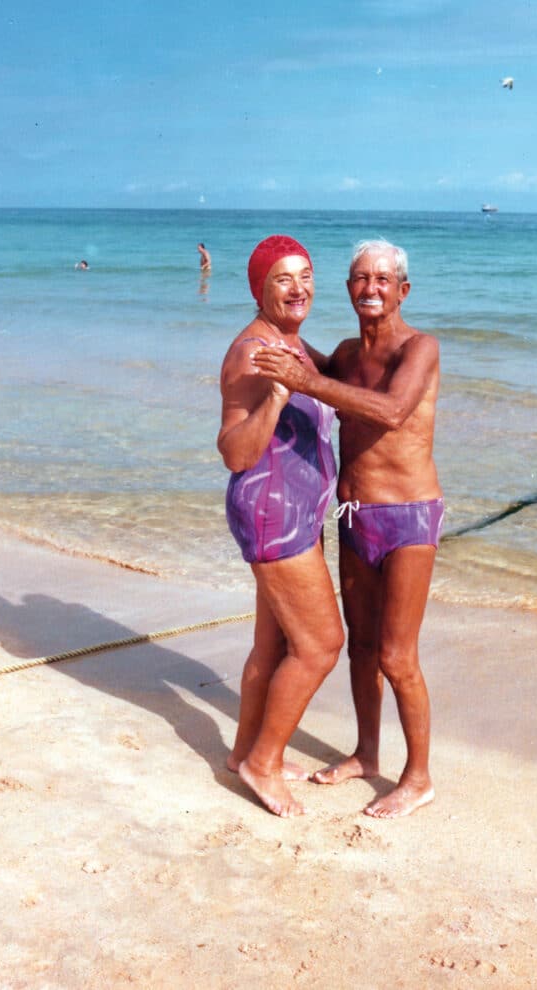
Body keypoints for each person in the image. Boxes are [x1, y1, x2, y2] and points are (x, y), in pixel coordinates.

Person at [252, 239, 442, 819]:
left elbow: (387, 411)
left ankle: (418, 777)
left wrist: (303, 379)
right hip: (354, 516)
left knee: (395, 654)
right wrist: (268, 322)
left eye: (384, 280)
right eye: (361, 279)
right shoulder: (341, 353)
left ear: (403, 290)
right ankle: (366, 753)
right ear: (348, 289)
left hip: (408, 515)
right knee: (359, 647)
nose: (371, 288)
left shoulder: (421, 348)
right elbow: (306, 363)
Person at [217, 235, 344, 818]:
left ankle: (244, 751)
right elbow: (235, 452)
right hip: (273, 513)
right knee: (320, 646)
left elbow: (331, 377)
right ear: (260, 289)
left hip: (294, 512)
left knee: (272, 646)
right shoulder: (253, 352)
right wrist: (274, 400)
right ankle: (263, 763)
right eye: (284, 279)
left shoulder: (286, 342)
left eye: (307, 275)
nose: (300, 288)